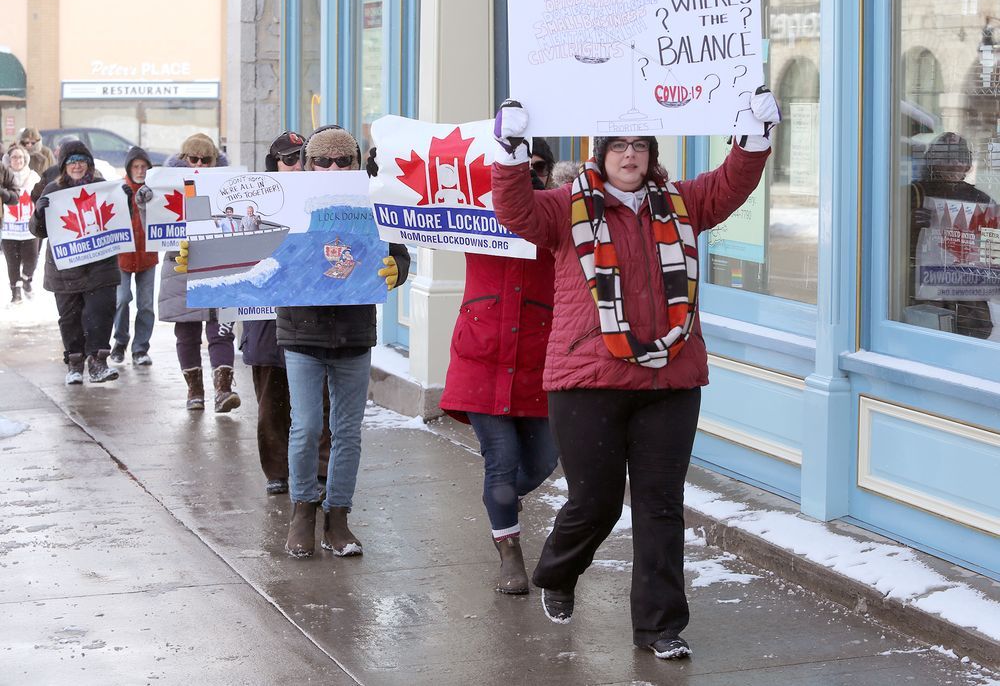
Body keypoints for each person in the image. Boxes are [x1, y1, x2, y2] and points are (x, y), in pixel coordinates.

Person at [489, 89, 780, 660]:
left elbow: (730, 184)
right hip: (587, 377)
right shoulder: (564, 207)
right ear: (602, 153)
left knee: (660, 507)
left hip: (669, 379)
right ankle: (559, 570)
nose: (629, 155)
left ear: (651, 152)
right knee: (595, 503)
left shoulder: (681, 202)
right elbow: (515, 210)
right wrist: (512, 155)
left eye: (639, 145)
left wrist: (752, 140)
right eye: (619, 145)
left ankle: (659, 627)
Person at [429, 138, 560, 595]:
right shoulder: (476, 213)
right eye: (520, 166)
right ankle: (509, 551)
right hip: (481, 360)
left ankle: (500, 501)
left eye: (538, 167)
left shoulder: (558, 219)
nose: (529, 175)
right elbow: (420, 203)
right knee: (500, 461)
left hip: (537, 364)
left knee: (543, 461)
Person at [279, 125, 410, 559]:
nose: (333, 168)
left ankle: (338, 516)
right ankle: (303, 510)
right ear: (307, 163)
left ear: (355, 163)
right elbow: (251, 248)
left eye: (342, 160)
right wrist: (206, 260)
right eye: (322, 160)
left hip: (354, 332)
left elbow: (398, 250)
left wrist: (396, 269)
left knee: (348, 431)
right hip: (301, 330)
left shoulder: (372, 200)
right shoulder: (286, 202)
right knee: (306, 428)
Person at [239, 130, 333, 496]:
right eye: (289, 158)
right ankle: (276, 470)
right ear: (275, 164)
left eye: (302, 158)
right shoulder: (255, 203)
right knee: (271, 398)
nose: (296, 165)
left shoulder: (327, 196)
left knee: (319, 398)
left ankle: (322, 469)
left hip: (316, 313)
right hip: (266, 314)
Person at [143, 133, 240, 412]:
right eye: (192, 158)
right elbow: (151, 226)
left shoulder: (227, 185)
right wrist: (144, 202)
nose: (198, 164)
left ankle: (223, 389)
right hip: (180, 266)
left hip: (220, 265)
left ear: (214, 160)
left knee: (221, 330)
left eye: (205, 159)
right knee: (186, 333)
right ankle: (194, 390)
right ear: (183, 159)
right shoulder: (166, 186)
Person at [28, 141, 123, 384]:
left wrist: (127, 201)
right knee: (70, 318)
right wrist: (39, 213)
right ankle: (75, 362)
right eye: (72, 161)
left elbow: (121, 221)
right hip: (65, 268)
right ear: (63, 167)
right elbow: (39, 232)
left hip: (100, 266)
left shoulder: (103, 188)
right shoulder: (52, 189)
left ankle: (98, 362)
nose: (77, 165)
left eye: (81, 160)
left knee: (100, 313)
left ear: (89, 164)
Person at [908, 131, 996, 338]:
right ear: (932, 162)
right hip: (926, 286)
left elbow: (991, 250)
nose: (953, 164)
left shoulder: (981, 199)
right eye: (944, 158)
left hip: (967, 291)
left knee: (972, 334)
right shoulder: (914, 194)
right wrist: (911, 224)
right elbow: (893, 241)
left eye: (959, 158)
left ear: (967, 165)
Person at [109, 147, 158, 366]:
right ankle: (120, 342)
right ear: (129, 168)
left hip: (148, 255)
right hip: (122, 256)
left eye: (143, 167)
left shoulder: (156, 191)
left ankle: (140, 348)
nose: (140, 171)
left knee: (146, 304)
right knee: (121, 300)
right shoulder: (118, 189)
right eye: (136, 167)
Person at [1, 145, 41, 303]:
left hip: (29, 227)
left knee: (31, 260)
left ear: (26, 160)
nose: (17, 160)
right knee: (12, 261)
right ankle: (15, 292)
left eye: (20, 157)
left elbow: (41, 195)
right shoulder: (3, 174)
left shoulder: (33, 176)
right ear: (8, 160)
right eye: (14, 157)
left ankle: (26, 279)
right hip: (9, 227)